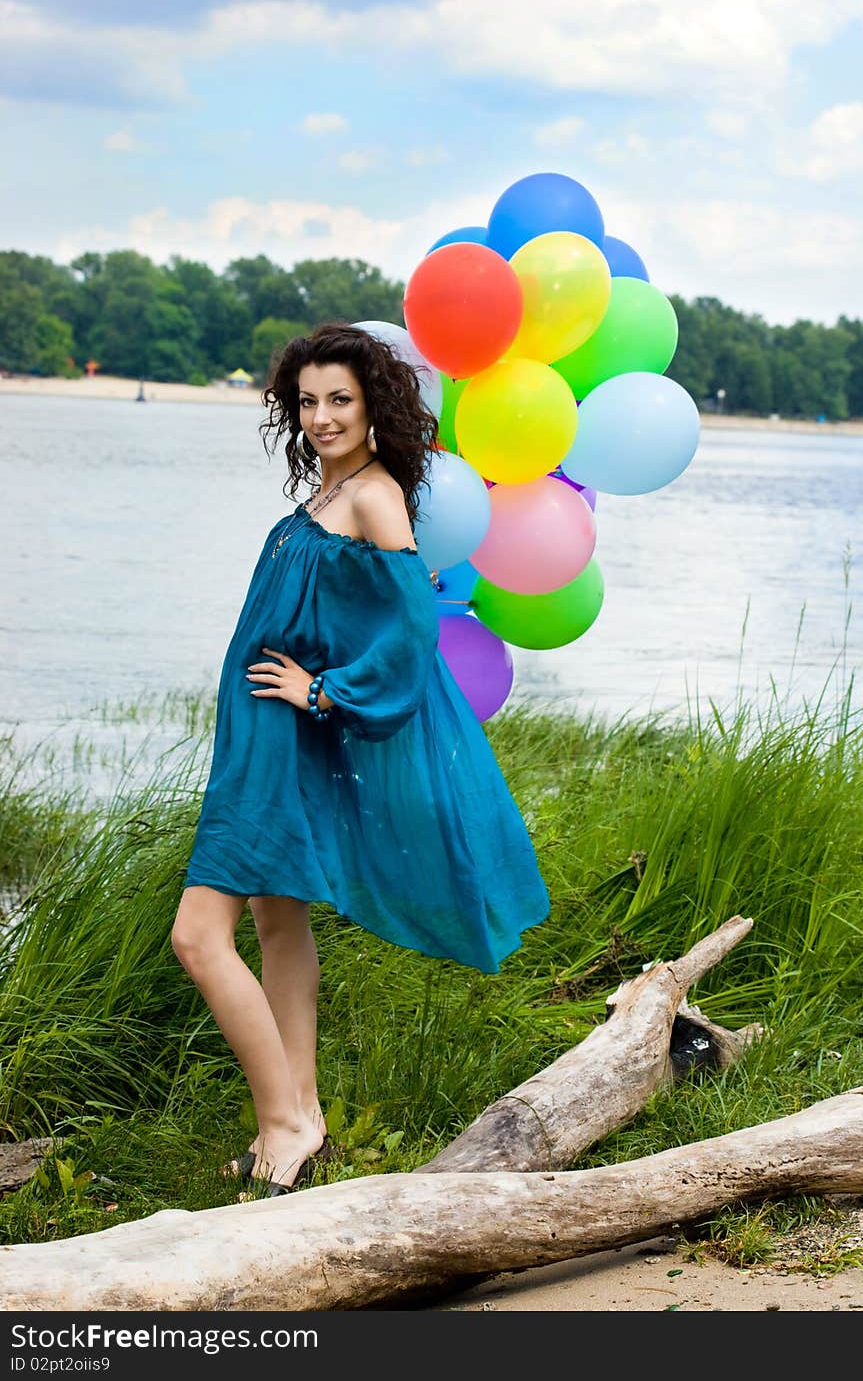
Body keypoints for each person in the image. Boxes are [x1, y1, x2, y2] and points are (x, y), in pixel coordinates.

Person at [171, 322, 550, 1197]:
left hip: (285, 739)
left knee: (198, 938)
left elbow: (412, 630)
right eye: (308, 401)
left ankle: (283, 1122)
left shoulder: (375, 495)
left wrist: (323, 693)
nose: (322, 416)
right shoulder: (325, 490)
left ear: (373, 403)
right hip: (265, 743)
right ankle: (306, 1117)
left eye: (339, 398)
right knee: (276, 922)